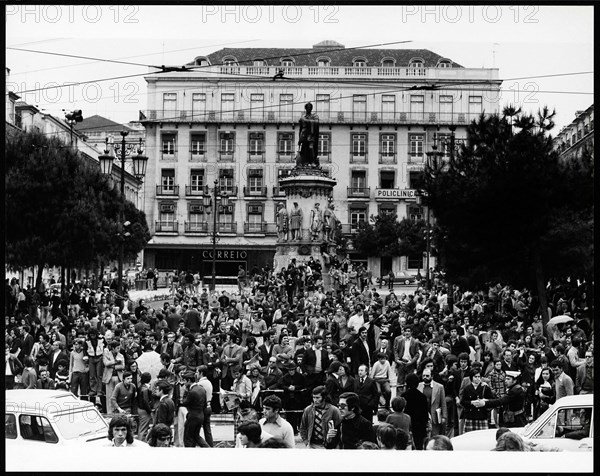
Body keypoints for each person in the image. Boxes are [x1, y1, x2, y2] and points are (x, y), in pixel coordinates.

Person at [459, 368, 495, 433]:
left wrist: (485, 401)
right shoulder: (467, 388)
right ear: (471, 378)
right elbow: (462, 402)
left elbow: (492, 400)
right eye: (475, 377)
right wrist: (471, 402)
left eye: (479, 377)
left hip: (482, 415)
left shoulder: (485, 387)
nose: (478, 378)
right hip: (470, 416)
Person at [181, 370, 210, 447]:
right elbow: (204, 405)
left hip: (192, 417)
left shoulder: (191, 391)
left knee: (188, 438)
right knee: (196, 436)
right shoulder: (202, 389)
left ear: (189, 381)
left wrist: (185, 392)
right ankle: (208, 448)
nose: (184, 383)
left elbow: (184, 402)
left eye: (184, 381)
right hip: (200, 415)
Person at [401, 373, 429, 450]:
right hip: (419, 425)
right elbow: (425, 414)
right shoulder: (422, 397)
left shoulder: (404, 396)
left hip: (407, 425)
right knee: (419, 446)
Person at [418, 367, 447, 437]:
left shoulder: (439, 387)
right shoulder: (419, 386)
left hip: (435, 416)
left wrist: (444, 416)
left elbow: (443, 403)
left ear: (432, 376)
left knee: (435, 436)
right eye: (423, 376)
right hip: (422, 416)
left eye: (427, 376)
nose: (425, 377)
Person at [103, 341, 125, 414]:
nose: (119, 349)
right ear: (113, 348)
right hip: (109, 377)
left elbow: (122, 366)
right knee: (109, 396)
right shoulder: (107, 354)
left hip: (118, 377)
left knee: (117, 395)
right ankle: (109, 412)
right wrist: (115, 362)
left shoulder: (121, 355)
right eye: (117, 348)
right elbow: (106, 363)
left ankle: (117, 411)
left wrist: (113, 366)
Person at [295, 102, 320, 167]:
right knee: (304, 148)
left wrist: (306, 120)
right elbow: (300, 128)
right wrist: (299, 139)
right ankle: (304, 162)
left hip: (311, 134)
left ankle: (312, 162)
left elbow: (316, 122)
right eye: (308, 108)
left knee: (311, 147)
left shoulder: (314, 116)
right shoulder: (303, 117)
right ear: (305, 109)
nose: (309, 109)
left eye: (310, 108)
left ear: (311, 109)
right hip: (303, 134)